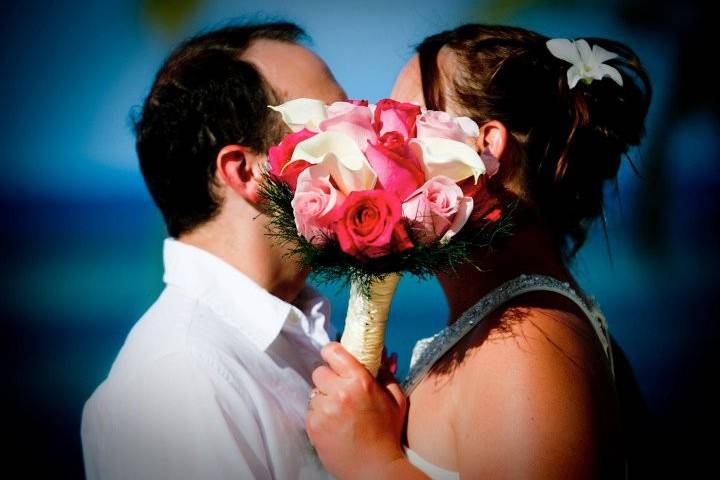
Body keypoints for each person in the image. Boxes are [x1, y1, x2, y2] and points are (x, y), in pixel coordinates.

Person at [306, 24, 651, 479]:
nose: (376, 148)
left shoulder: (529, 345)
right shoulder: (516, 326)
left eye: (407, 122)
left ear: (485, 146)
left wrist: (370, 459)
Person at [81, 23, 346, 480]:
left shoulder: (290, 332)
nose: (369, 151)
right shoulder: (178, 381)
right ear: (244, 172)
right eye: (331, 132)